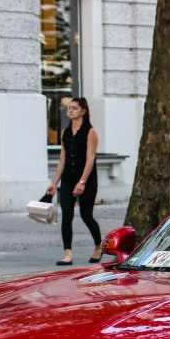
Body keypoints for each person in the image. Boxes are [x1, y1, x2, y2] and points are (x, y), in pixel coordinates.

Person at [47, 97, 102, 265]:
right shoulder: (65, 132)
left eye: (74, 108)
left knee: (86, 216)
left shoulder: (90, 132)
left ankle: (98, 246)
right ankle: (67, 254)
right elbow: (62, 160)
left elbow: (90, 159)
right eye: (69, 108)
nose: (70, 111)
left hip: (87, 180)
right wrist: (54, 183)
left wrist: (82, 182)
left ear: (83, 111)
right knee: (67, 216)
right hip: (68, 180)